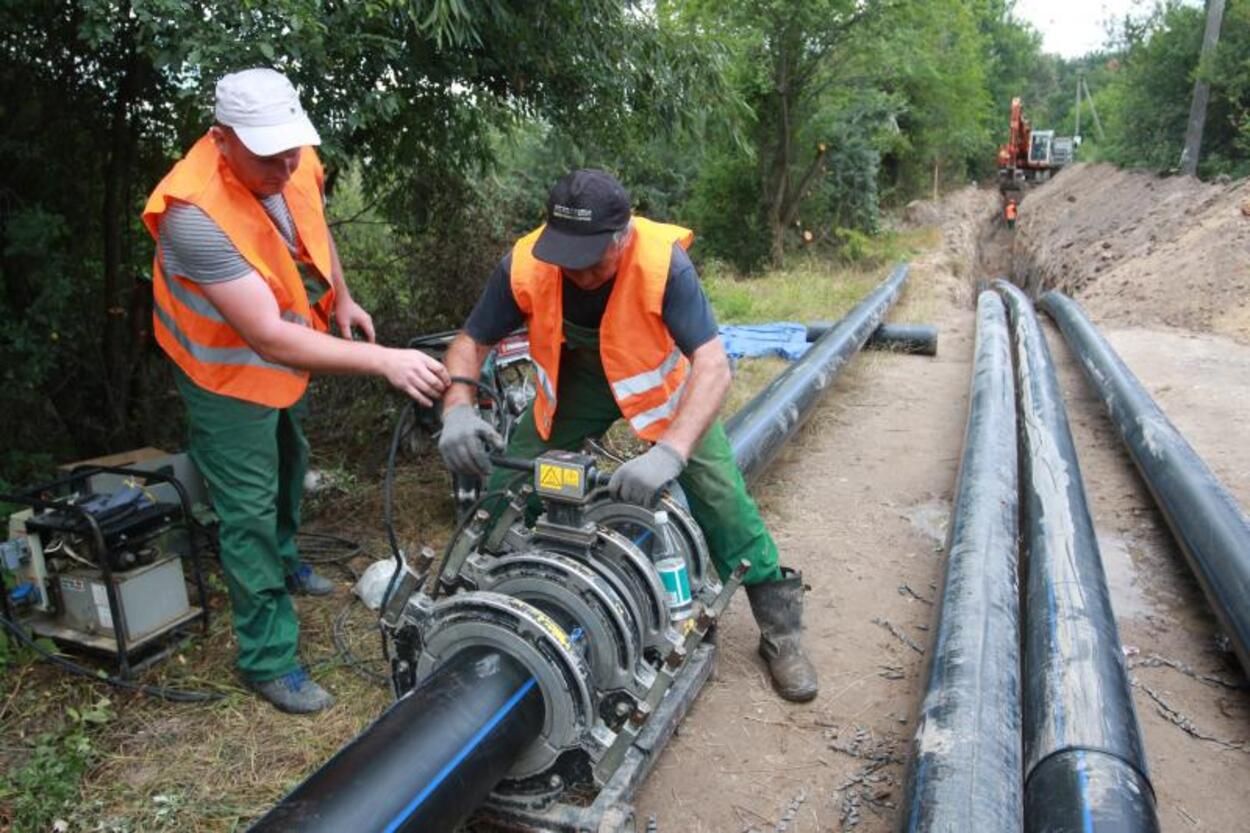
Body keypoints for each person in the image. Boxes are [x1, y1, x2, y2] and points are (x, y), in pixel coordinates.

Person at [438, 170, 819, 702]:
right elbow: (470, 342)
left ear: (623, 237)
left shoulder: (664, 264)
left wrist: (671, 452)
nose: (580, 273)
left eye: (593, 259)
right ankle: (482, 596)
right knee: (508, 481)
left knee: (722, 497)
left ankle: (781, 633)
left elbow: (712, 365)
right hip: (578, 382)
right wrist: (456, 407)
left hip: (659, 387)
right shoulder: (525, 263)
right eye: (567, 258)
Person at [142, 68, 449, 713]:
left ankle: (286, 562)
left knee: (290, 466)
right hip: (224, 376)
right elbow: (269, 338)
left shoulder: (290, 155)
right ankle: (267, 657)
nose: (285, 164)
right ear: (222, 139)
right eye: (267, 154)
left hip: (282, 363)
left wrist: (343, 296)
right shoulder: (192, 214)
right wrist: (385, 361)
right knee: (247, 512)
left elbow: (314, 226)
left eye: (290, 149)